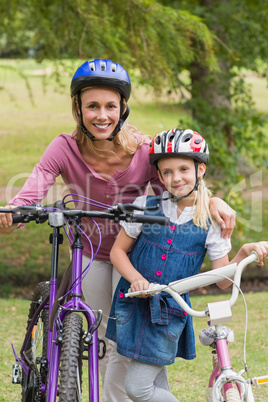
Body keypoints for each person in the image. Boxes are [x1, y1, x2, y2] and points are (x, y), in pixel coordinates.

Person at [0, 60, 236, 401]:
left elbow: (180, 187)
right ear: (78, 109)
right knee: (98, 337)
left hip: (136, 253)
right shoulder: (64, 147)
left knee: (124, 340)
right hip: (90, 250)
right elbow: (34, 186)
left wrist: (213, 201)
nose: (101, 115)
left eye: (110, 106)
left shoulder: (143, 151)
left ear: (122, 108)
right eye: (92, 105)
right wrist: (14, 212)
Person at [106, 128, 268, 402]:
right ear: (158, 175)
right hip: (133, 305)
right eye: (167, 172)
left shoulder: (211, 222)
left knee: (138, 388)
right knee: (150, 380)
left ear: (200, 169)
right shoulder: (145, 206)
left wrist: (241, 253)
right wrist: (135, 278)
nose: (175, 178)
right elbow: (118, 252)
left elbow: (222, 280)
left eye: (183, 169)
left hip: (168, 314)